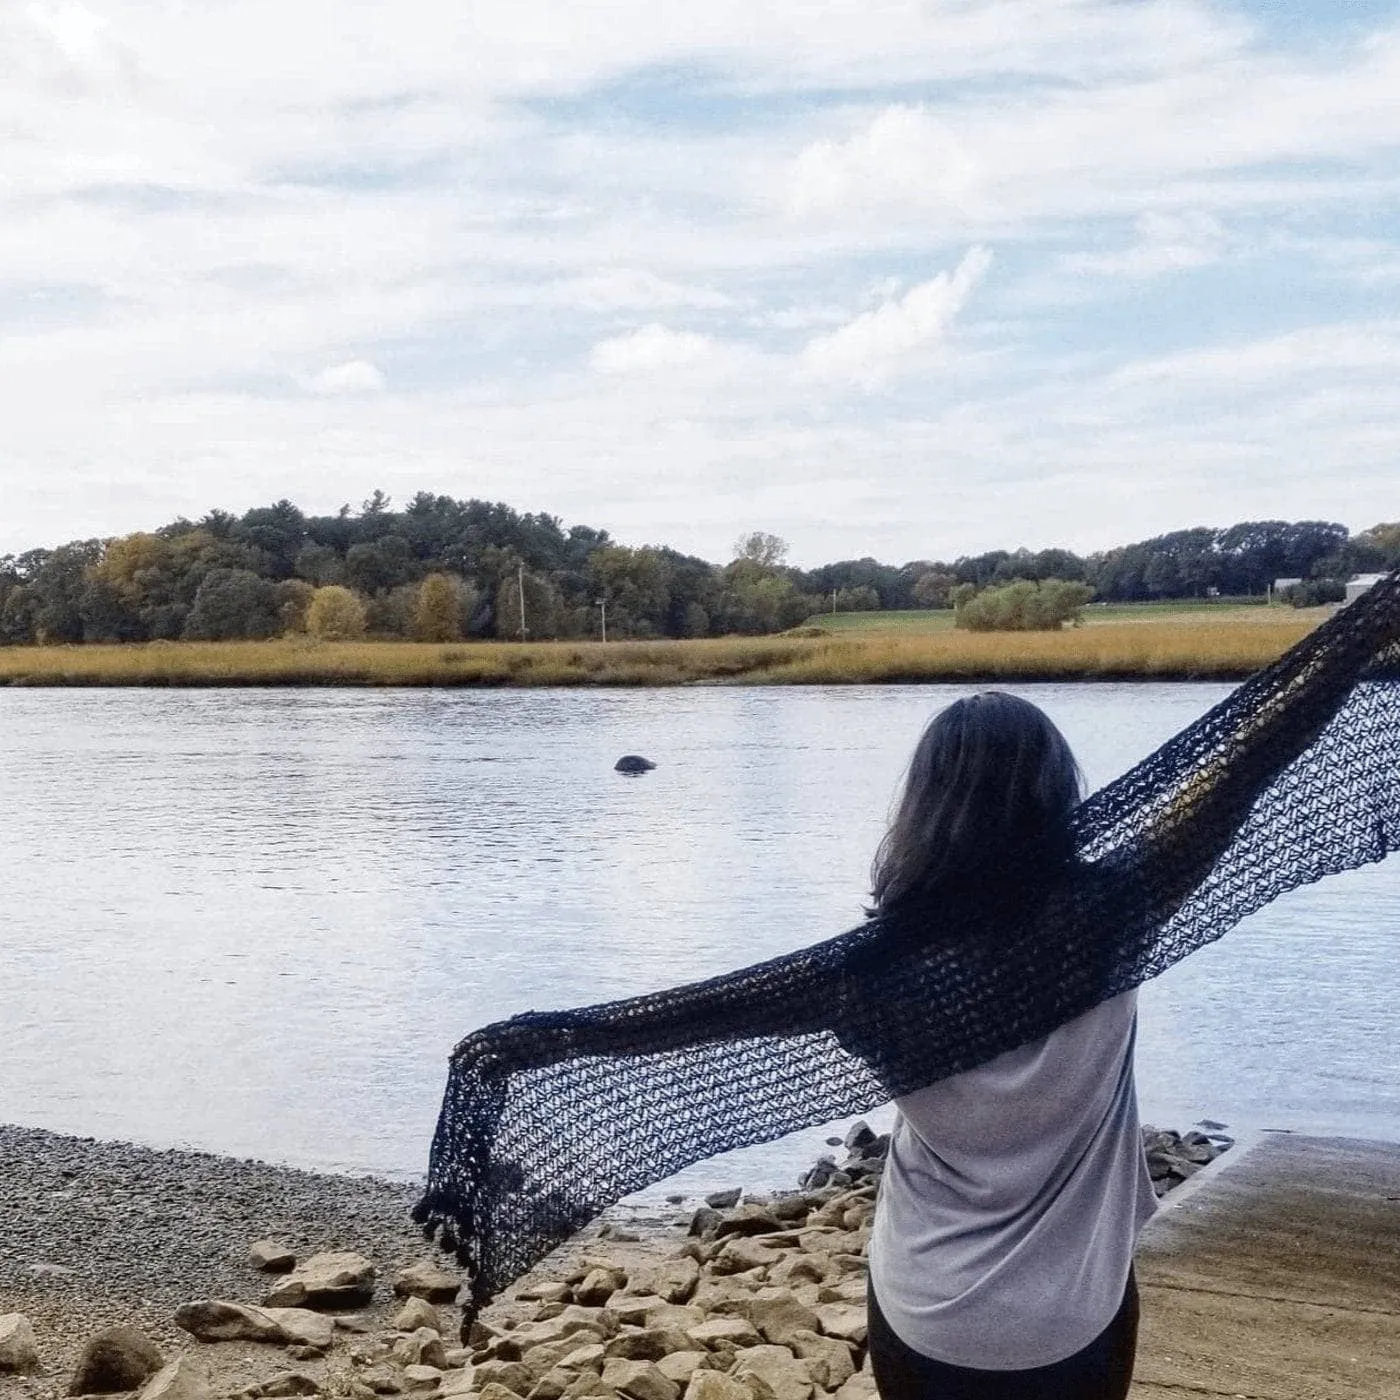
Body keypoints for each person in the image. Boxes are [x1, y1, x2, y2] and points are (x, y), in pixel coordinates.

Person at [864, 692, 1150, 1400]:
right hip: (1075, 1310)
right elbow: (1243, 777)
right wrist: (1354, 646)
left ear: (922, 807)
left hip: (921, 1305)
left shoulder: (868, 969)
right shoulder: (1113, 916)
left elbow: (690, 1021)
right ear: (1057, 795)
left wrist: (553, 1042)